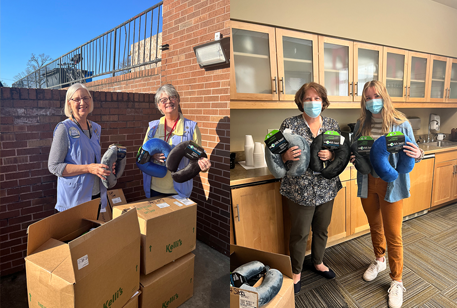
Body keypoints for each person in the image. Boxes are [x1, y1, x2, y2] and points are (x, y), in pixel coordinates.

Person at [351, 80, 423, 308]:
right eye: (368, 97)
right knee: (375, 225)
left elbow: (413, 153)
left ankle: (397, 280)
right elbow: (357, 151)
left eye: (376, 95)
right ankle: (379, 260)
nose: (372, 101)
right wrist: (354, 158)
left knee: (394, 233)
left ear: (384, 96)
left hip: (392, 183)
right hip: (367, 182)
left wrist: (419, 153)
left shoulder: (401, 123)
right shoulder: (361, 124)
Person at [280, 82, 342, 294]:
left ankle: (318, 262)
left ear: (323, 102)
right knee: (300, 232)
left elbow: (340, 152)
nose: (313, 102)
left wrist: (332, 155)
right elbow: (276, 154)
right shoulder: (289, 125)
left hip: (327, 188)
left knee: (322, 229)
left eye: (317, 99)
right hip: (300, 190)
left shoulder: (332, 124)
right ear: (301, 101)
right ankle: (296, 271)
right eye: (308, 98)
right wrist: (285, 156)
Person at [48, 83, 113, 212]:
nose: (82, 102)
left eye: (85, 98)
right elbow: (54, 166)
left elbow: (90, 157)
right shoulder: (64, 129)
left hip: (95, 194)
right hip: (74, 199)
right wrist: (89, 168)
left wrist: (105, 167)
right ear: (69, 104)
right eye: (77, 99)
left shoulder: (95, 128)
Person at [142, 84, 211, 198]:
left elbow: (198, 158)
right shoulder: (153, 127)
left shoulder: (191, 128)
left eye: (172, 97)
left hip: (180, 189)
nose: (168, 101)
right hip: (154, 187)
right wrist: (152, 156)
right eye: (163, 100)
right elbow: (143, 154)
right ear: (159, 105)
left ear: (178, 100)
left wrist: (203, 167)